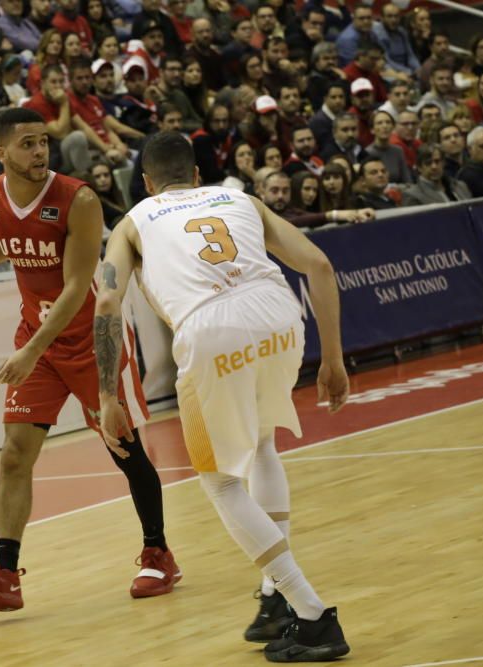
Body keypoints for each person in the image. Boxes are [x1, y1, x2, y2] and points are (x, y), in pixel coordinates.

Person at [94, 130, 351, 662]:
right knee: (260, 446)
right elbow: (321, 266)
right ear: (195, 176)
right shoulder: (241, 198)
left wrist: (106, 391)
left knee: (220, 483)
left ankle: (310, 612)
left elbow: (105, 305)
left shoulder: (133, 220)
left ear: (145, 183)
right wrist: (333, 359)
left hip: (213, 330)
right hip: (279, 315)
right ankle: (273, 598)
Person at [0, 108, 180, 612]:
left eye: (43, 143)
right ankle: (5, 574)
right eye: (27, 144)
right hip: (38, 340)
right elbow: (7, 242)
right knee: (14, 453)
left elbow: (77, 288)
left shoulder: (79, 199)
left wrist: (29, 352)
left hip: (94, 339)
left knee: (124, 447)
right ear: (1, 153)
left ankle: (158, 552)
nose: (39, 152)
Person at [401, 144, 473, 206]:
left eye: (437, 161)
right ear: (419, 167)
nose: (434, 167)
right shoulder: (412, 195)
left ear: (443, 163)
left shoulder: (461, 186)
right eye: (428, 163)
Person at [372, 1, 419, 77]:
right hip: (390, 70)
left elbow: (410, 55)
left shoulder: (402, 32)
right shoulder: (378, 34)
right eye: (389, 16)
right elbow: (386, 61)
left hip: (406, 69)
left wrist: (418, 69)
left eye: (396, 16)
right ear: (382, 17)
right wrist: (407, 71)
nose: (393, 20)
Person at [364, 110, 412, 184]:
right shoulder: (366, 153)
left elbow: (407, 181)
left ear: (393, 128)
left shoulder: (398, 151)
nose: (385, 126)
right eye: (379, 123)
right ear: (372, 130)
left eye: (388, 122)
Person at [87, 160, 129, 228]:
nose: (103, 179)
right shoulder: (92, 202)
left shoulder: (120, 194)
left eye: (106, 175)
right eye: (97, 177)